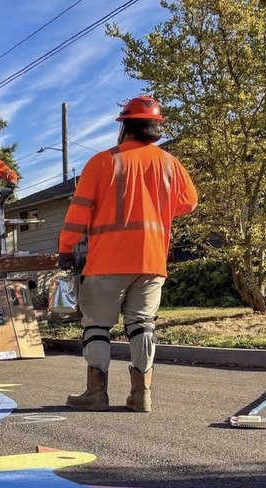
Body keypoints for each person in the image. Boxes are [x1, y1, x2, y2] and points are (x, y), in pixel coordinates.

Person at [58, 96, 198, 413]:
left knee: (96, 325)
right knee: (142, 325)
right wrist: (159, 209)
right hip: (151, 260)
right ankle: (141, 394)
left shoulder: (104, 162)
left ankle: (96, 392)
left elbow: (79, 211)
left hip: (108, 260)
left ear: (124, 127)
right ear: (155, 128)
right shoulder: (169, 163)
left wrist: (66, 248)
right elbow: (189, 203)